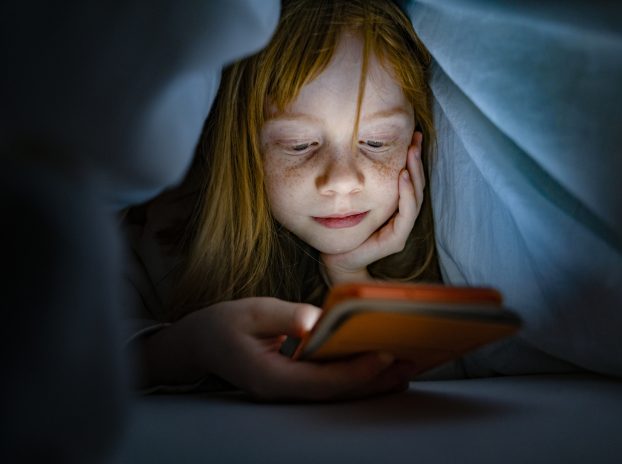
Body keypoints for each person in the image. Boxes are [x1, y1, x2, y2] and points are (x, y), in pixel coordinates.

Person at [122, 0, 441, 401]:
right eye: (299, 145)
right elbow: (59, 360)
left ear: (417, 136)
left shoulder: (438, 258)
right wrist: (193, 344)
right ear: (242, 146)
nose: (342, 181)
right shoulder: (163, 246)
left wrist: (348, 275)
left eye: (377, 143)